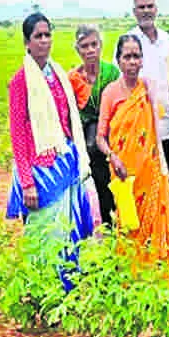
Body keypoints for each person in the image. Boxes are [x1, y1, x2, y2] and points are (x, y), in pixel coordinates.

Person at [6, 13, 99, 293]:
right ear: (26, 42)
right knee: (45, 233)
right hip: (40, 171)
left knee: (69, 228)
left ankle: (69, 289)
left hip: (65, 162)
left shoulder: (58, 75)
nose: (44, 41)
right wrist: (27, 183)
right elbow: (18, 134)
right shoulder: (21, 81)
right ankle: (45, 291)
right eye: (38, 36)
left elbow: (68, 122)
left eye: (47, 34)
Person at [97, 35, 169, 282]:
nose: (132, 62)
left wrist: (165, 171)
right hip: (124, 176)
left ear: (142, 60)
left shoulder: (148, 89)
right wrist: (113, 157)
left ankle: (161, 283)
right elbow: (101, 137)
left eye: (136, 56)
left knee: (155, 225)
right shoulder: (111, 93)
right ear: (118, 60)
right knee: (129, 226)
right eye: (127, 57)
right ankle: (132, 282)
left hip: (151, 172)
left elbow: (156, 131)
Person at [68, 24, 120, 227]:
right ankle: (107, 226)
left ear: (101, 46)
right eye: (84, 46)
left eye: (94, 44)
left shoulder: (112, 73)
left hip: (114, 138)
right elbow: (70, 113)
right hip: (88, 142)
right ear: (77, 50)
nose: (90, 50)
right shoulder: (73, 78)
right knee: (100, 185)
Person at [128, 0, 169, 168]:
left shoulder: (168, 41)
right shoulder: (128, 42)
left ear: (156, 9)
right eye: (141, 7)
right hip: (142, 130)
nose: (146, 11)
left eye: (150, 6)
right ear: (134, 12)